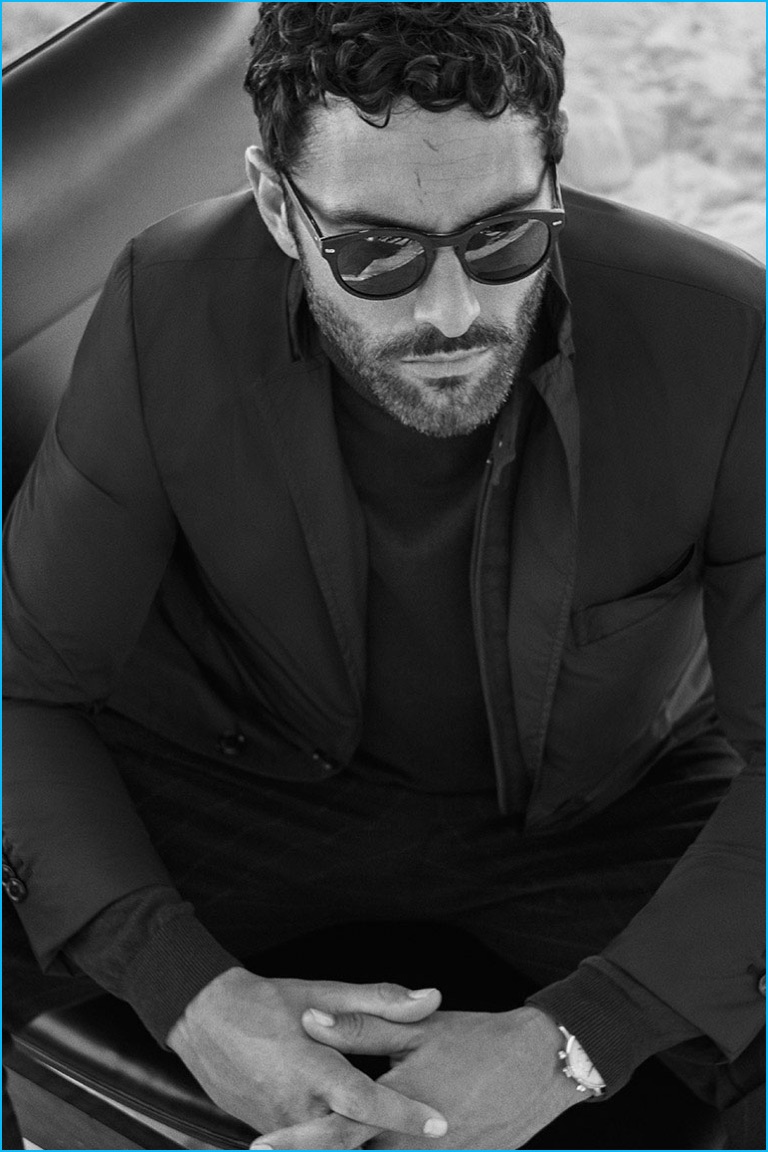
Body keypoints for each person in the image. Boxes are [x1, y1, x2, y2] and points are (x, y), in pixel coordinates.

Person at [3, 3, 765, 1149]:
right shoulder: (167, 300)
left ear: (555, 173)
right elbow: (24, 688)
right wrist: (188, 995)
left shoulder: (731, 337)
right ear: (278, 207)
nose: (453, 311)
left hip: (608, 805)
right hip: (243, 772)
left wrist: (578, 1042)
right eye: (375, 253)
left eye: (504, 237)